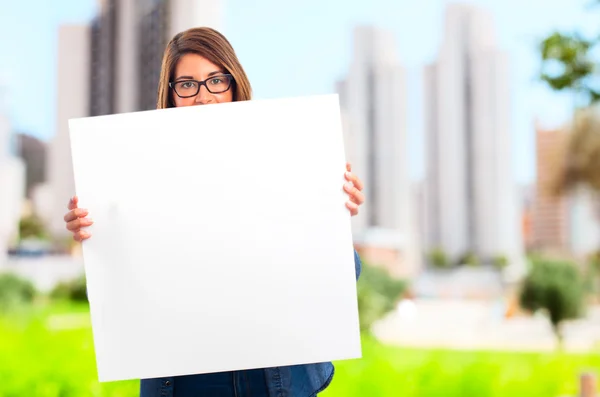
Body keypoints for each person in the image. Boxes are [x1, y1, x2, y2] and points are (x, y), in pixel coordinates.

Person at [63, 27, 365, 397]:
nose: (204, 97)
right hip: (186, 380)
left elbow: (344, 275)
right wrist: (95, 234)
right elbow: (122, 289)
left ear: (235, 84)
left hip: (271, 379)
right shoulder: (136, 175)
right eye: (187, 85)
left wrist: (332, 220)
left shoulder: (287, 157)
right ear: (171, 95)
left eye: (215, 81)